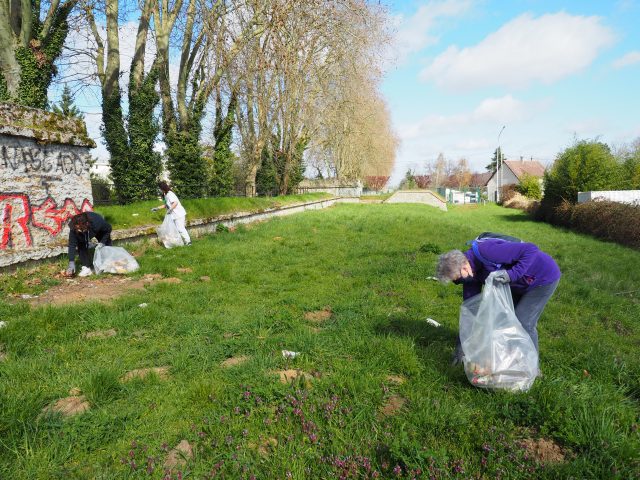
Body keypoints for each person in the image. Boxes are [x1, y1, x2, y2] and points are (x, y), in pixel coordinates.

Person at [436, 238, 561, 365]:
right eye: (456, 282)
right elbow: (470, 312)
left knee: (524, 322)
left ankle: (532, 367)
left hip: (542, 278)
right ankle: (510, 361)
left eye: (458, 279)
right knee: (505, 319)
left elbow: (531, 249)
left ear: (464, 266)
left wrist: (512, 274)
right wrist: (461, 347)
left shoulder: (487, 251)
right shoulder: (470, 277)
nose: (460, 282)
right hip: (517, 285)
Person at [66, 211, 113, 277]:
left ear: (87, 224)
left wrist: (102, 242)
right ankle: (87, 267)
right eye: (78, 228)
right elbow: (72, 244)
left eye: (81, 228)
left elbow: (108, 229)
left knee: (105, 246)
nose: (79, 230)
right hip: (87, 229)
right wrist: (71, 262)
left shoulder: (97, 222)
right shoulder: (74, 227)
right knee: (81, 244)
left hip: (99, 231)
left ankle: (108, 263)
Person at [152, 181, 191, 246]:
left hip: (179, 214)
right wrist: (157, 208)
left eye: (159, 189)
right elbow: (166, 205)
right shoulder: (166, 194)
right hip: (174, 215)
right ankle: (178, 242)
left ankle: (188, 242)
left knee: (180, 229)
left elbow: (175, 203)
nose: (159, 190)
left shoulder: (170, 194)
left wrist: (170, 209)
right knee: (175, 229)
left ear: (162, 188)